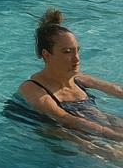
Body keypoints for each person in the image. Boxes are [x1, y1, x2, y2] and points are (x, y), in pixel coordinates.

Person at [16, 9, 123, 143]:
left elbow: (116, 90)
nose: (77, 58)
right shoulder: (32, 89)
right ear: (46, 54)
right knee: (114, 152)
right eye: (67, 52)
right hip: (61, 132)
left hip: (91, 120)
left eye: (77, 51)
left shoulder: (78, 79)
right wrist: (112, 134)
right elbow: (65, 119)